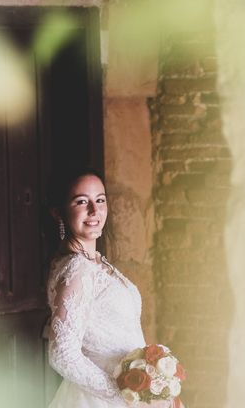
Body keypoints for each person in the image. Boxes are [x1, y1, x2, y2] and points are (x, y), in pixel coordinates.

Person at [46, 168, 146, 408]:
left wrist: (154, 385)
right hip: (102, 399)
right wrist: (123, 396)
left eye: (100, 200)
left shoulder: (95, 262)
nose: (94, 210)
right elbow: (62, 354)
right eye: (82, 202)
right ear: (59, 211)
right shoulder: (76, 269)